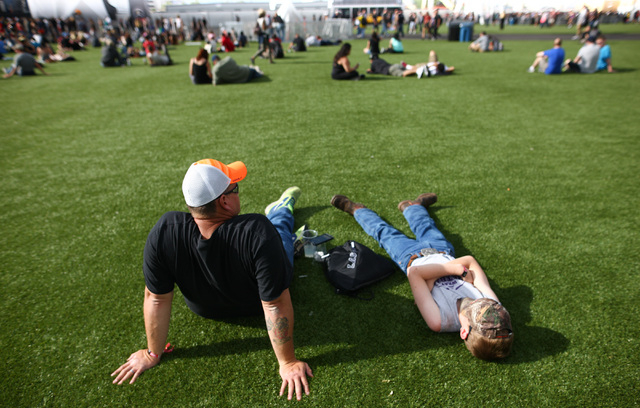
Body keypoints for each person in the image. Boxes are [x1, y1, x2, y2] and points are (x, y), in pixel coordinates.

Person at [111, 159, 313, 400]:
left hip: (206, 310)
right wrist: (287, 362)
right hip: (255, 306)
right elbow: (274, 304)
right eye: (235, 188)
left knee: (275, 239)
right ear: (224, 201)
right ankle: (281, 209)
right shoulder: (256, 231)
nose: (238, 192)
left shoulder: (165, 230)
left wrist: (152, 353)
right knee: (280, 232)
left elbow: (156, 298)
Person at [330, 193, 513, 361]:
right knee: (426, 226)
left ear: (464, 332)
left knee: (384, 232)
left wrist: (457, 270)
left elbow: (415, 273)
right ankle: (413, 207)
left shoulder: (439, 320)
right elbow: (470, 260)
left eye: (477, 310)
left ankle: (357, 210)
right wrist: (430, 280)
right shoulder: (494, 306)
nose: (485, 304)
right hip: (442, 251)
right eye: (491, 307)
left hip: (409, 256)